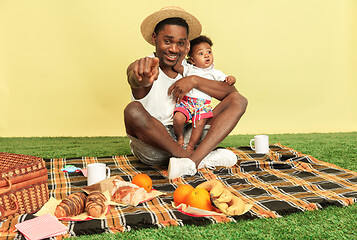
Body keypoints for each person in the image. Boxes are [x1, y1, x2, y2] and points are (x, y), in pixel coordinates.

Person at [124, 6, 248, 179]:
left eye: (180, 43)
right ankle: (197, 159)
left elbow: (231, 94)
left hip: (189, 135)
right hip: (154, 145)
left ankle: (191, 163)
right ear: (154, 38)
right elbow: (134, 77)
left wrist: (195, 81)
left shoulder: (192, 70)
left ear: (187, 45)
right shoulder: (146, 66)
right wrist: (140, 78)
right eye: (167, 41)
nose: (174, 49)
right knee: (132, 110)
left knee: (239, 100)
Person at [172, 35, 236, 154]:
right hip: (187, 102)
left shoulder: (215, 73)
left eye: (209, 52)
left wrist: (231, 78)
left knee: (199, 126)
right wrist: (183, 53)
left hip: (202, 105)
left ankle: (190, 146)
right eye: (201, 54)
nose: (207, 55)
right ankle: (180, 137)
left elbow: (226, 81)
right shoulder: (189, 68)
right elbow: (176, 66)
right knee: (178, 118)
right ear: (192, 60)